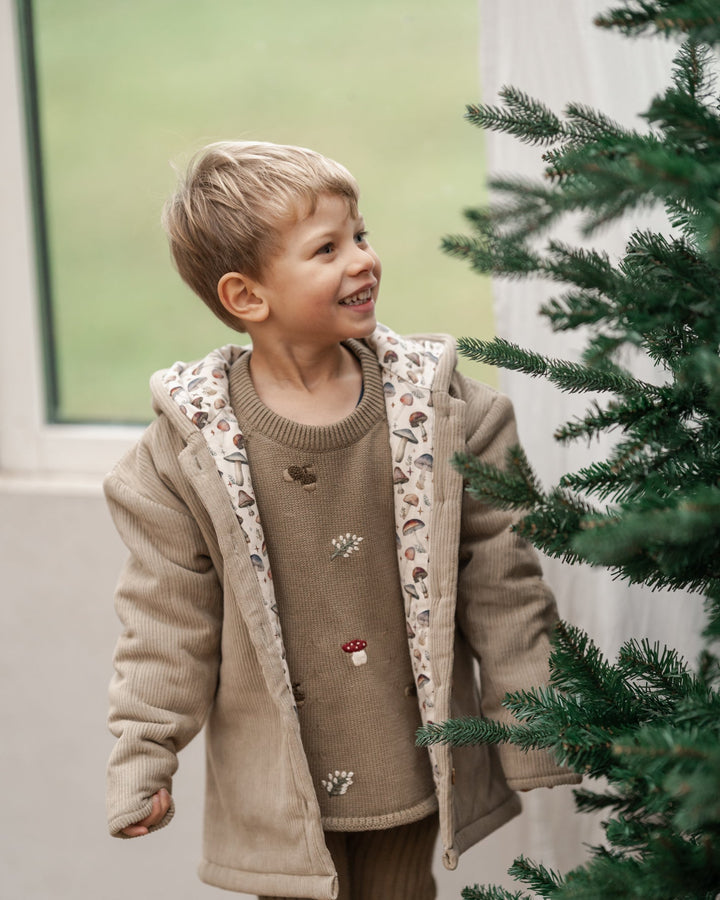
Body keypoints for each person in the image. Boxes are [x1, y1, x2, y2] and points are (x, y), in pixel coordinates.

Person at [105, 141, 579, 900]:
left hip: (409, 757)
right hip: (279, 781)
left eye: (360, 235)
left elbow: (503, 580)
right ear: (247, 296)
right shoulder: (185, 454)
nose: (363, 260)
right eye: (327, 249)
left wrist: (537, 725)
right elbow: (165, 617)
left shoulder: (446, 412)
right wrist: (143, 756)